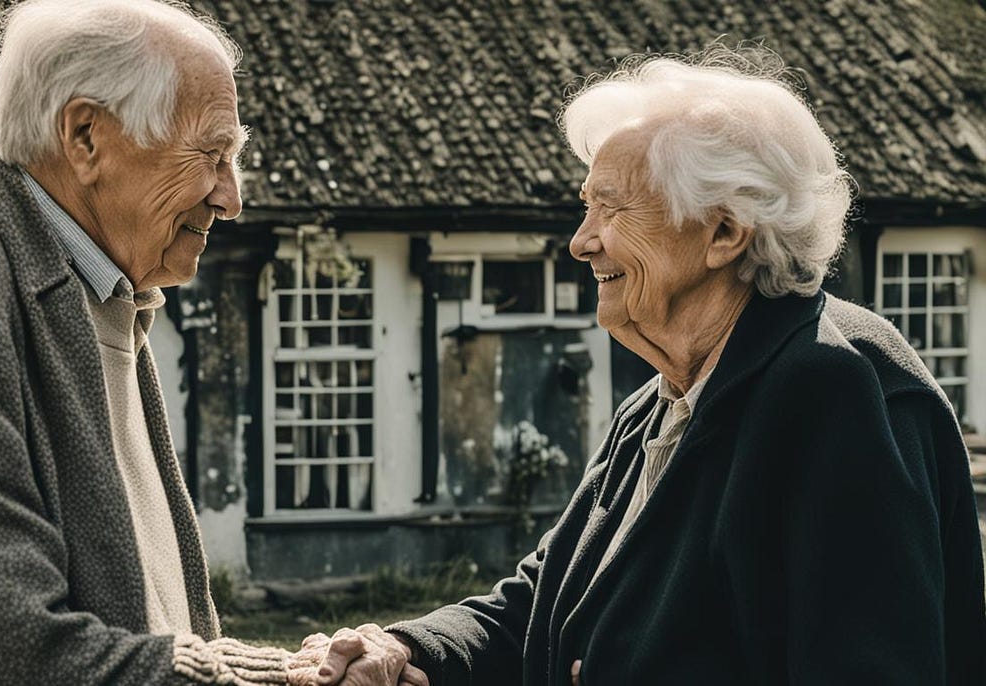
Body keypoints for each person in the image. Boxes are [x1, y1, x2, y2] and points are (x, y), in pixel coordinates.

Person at [313, 47, 986, 685]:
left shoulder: (838, 387)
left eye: (613, 208)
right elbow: (545, 598)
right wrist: (403, 648)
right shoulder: (664, 399)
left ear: (724, 232)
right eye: (587, 207)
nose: (582, 241)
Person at [0, 1, 417, 683]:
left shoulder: (101, 291)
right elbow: (3, 657)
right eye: (212, 156)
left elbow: (156, 621)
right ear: (86, 137)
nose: (231, 196)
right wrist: (285, 677)